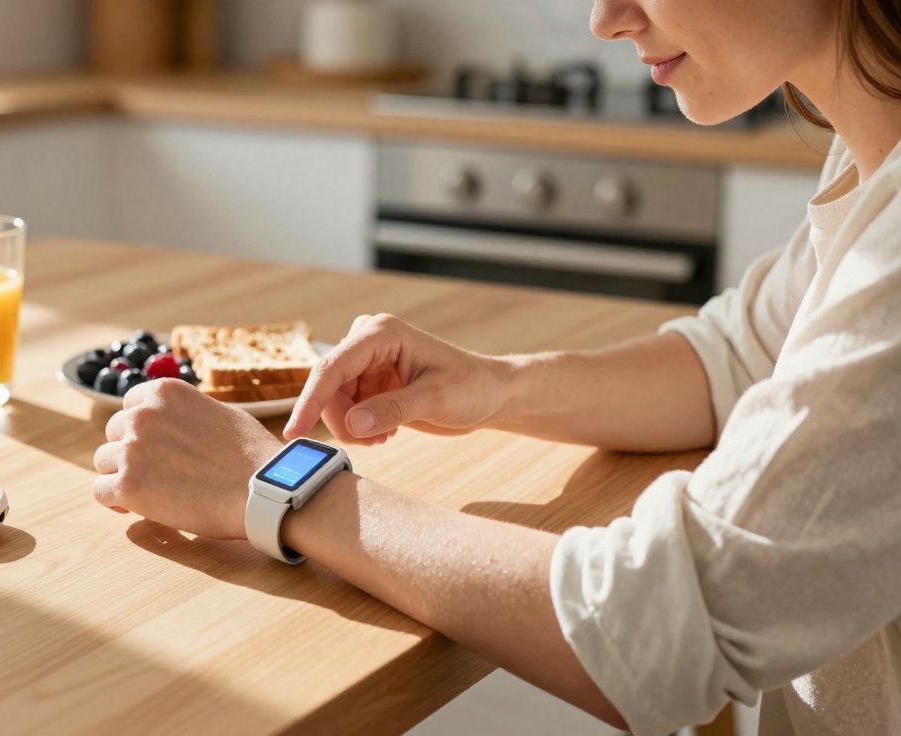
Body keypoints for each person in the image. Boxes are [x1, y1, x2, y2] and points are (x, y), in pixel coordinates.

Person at [91, 0, 901, 732]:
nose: (606, 18)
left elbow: (655, 627)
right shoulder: (868, 154)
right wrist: (496, 383)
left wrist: (271, 485)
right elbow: (738, 358)